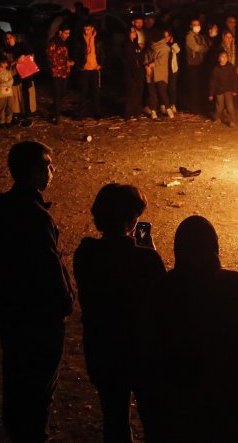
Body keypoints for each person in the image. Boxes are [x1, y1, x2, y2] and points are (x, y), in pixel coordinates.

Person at [0, 141, 74, 443]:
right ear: (32, 171)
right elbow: (49, 267)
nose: (52, 171)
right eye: (47, 166)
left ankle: (17, 430)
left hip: (7, 311)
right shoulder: (35, 216)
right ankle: (34, 435)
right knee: (40, 380)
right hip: (38, 315)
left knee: (15, 371)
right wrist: (66, 302)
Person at [147, 215, 238, 443]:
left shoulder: (164, 287)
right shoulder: (235, 284)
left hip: (179, 382)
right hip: (225, 383)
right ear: (213, 246)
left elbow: (152, 335)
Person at [73, 184, 167, 443]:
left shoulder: (86, 253)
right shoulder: (146, 259)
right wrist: (148, 249)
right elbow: (162, 295)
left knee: (114, 417)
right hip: (140, 350)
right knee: (153, 417)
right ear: (133, 218)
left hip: (102, 348)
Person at [72, 22, 104, 120]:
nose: (86, 31)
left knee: (96, 92)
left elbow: (102, 53)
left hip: (95, 68)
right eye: (85, 29)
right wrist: (79, 65)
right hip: (84, 69)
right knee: (83, 91)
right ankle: (81, 113)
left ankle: (97, 112)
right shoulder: (80, 40)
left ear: (92, 28)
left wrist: (101, 64)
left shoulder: (98, 39)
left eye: (88, 29)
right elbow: (76, 53)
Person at [46, 26, 73, 123]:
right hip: (56, 73)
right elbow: (51, 58)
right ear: (60, 32)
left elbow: (63, 56)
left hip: (64, 73)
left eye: (69, 33)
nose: (67, 35)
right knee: (57, 94)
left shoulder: (64, 42)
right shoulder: (54, 42)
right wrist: (66, 63)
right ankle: (57, 116)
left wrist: (68, 63)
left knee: (62, 94)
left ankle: (55, 111)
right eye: (66, 33)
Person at [184, 19, 210, 116]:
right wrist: (203, 48)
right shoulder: (189, 37)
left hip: (200, 63)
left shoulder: (200, 36)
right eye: (194, 25)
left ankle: (198, 107)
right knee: (194, 87)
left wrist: (202, 48)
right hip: (192, 64)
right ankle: (194, 108)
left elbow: (206, 47)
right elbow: (196, 48)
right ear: (191, 26)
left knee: (199, 86)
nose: (197, 26)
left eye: (198, 24)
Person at [209, 50, 238, 127]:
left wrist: (234, 90)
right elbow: (213, 81)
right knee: (219, 106)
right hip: (219, 90)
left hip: (228, 90)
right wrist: (211, 94)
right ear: (219, 58)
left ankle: (232, 120)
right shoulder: (216, 69)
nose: (225, 58)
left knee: (230, 106)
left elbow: (234, 79)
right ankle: (217, 118)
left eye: (226, 56)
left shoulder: (230, 67)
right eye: (223, 56)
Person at [0, 57, 15, 126]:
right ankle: (1, 121)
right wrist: (6, 83)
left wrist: (4, 83)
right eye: (3, 62)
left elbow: (11, 81)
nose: (5, 64)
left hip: (9, 93)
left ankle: (8, 121)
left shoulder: (8, 72)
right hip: (1, 93)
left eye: (5, 63)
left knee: (10, 107)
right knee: (1, 108)